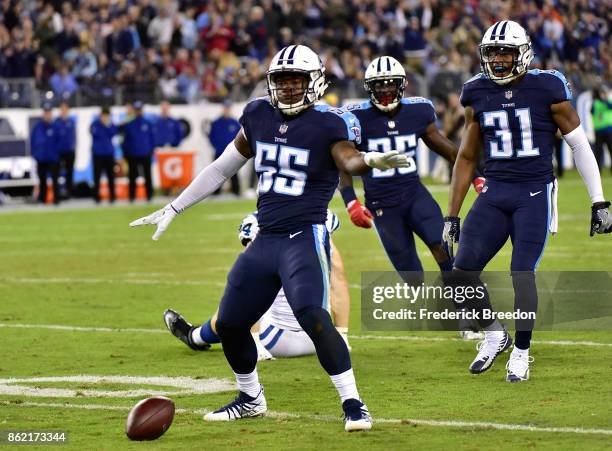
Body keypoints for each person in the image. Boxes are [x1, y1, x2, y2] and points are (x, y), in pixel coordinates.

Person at [131, 44, 411, 431]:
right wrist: (175, 207)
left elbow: (349, 160)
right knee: (230, 323)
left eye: (297, 81)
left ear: (314, 82)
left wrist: (372, 161)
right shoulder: (259, 114)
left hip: (303, 236)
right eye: (282, 81)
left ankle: (354, 403)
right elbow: (221, 168)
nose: (289, 88)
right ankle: (250, 398)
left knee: (314, 315)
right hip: (266, 237)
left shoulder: (330, 123)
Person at [442, 20, 612, 383]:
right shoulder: (477, 91)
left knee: (522, 273)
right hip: (495, 190)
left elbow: (579, 145)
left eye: (505, 52)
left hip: (534, 192)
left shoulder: (547, 87)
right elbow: (467, 157)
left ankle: (521, 352)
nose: (499, 60)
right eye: (493, 53)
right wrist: (451, 214)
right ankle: (493, 333)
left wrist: (598, 200)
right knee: (458, 273)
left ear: (523, 54)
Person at [338, 56, 484, 340]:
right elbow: (342, 164)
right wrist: (351, 201)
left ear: (402, 85)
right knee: (412, 275)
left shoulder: (418, 112)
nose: (385, 92)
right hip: (382, 204)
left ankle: (464, 312)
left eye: (390, 85)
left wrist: (476, 174)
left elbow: (447, 148)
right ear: (369, 88)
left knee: (442, 247)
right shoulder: (355, 117)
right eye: (378, 86)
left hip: (414, 193)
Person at [164, 209, 353, 359]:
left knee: (237, 300)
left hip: (275, 340)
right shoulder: (322, 218)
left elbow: (250, 285)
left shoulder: (261, 222)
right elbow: (338, 277)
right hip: (321, 336)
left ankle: (195, 337)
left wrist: (254, 342)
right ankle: (195, 337)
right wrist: (341, 336)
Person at [122, 101, 156, 201]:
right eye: (137, 110)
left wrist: (150, 151)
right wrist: (127, 153)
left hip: (145, 154)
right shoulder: (129, 124)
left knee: (148, 175)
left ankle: (149, 196)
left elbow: (152, 139)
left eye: (139, 110)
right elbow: (125, 141)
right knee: (132, 176)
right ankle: (132, 197)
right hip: (133, 155)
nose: (138, 112)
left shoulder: (148, 124)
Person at [208, 100, 241, 196]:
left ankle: (236, 192)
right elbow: (211, 137)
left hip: (232, 153)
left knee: (234, 172)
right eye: (225, 108)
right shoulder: (216, 123)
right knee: (216, 173)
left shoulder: (234, 123)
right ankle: (215, 193)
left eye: (228, 108)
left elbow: (239, 138)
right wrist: (217, 146)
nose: (227, 110)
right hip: (219, 152)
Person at [31, 103, 60, 205]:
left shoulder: (56, 126)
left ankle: (56, 200)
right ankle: (42, 200)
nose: (47, 114)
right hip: (41, 158)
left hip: (53, 158)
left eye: (49, 112)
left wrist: (57, 155)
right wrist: (35, 155)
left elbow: (59, 141)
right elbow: (33, 142)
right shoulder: (38, 127)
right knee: (42, 180)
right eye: (46, 112)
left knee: (55, 180)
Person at [90, 106, 119, 203]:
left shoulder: (111, 125)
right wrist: (104, 126)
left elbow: (114, 133)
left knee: (111, 176)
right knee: (97, 176)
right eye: (103, 116)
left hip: (109, 154)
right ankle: (96, 197)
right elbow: (95, 133)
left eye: (107, 116)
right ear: (100, 116)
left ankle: (112, 196)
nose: (105, 118)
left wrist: (107, 125)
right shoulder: (95, 124)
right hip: (98, 154)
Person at [54, 101, 76, 199]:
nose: (63, 111)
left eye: (65, 109)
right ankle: (57, 193)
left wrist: (73, 147)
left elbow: (73, 137)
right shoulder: (56, 122)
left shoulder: (71, 122)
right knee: (57, 173)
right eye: (62, 109)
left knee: (69, 172)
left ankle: (69, 193)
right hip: (59, 152)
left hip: (70, 151)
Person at [592, 86, 612, 173]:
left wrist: (605, 99)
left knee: (611, 150)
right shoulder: (595, 103)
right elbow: (592, 111)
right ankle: (598, 170)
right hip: (599, 131)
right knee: (598, 152)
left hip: (609, 130)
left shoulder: (608, 102)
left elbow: (609, 106)